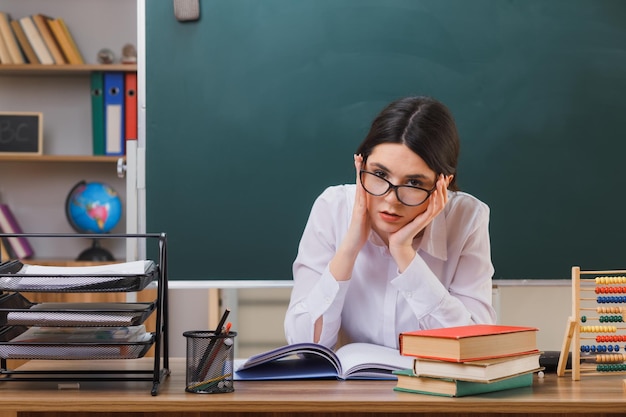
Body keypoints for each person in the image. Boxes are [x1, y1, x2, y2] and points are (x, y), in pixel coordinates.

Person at [284, 96, 496, 350]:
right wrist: (349, 249)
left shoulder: (467, 217)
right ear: (360, 163)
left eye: (414, 183)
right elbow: (304, 345)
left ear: (443, 183)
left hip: (432, 386)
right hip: (350, 388)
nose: (390, 199)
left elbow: (474, 344)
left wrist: (404, 254)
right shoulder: (333, 207)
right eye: (380, 174)